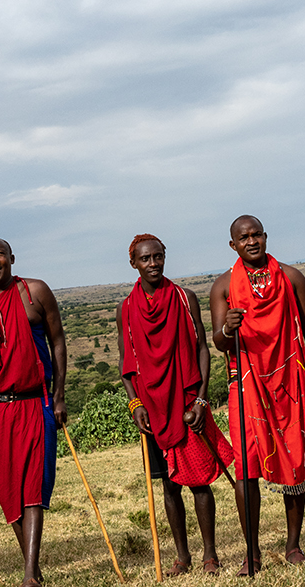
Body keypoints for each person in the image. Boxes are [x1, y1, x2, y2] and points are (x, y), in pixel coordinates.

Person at [209, 216, 305, 574]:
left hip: (291, 382)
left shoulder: (291, 278)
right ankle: (252, 552)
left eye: (257, 234)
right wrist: (226, 329)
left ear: (265, 237)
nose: (252, 241)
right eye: (243, 237)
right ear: (232, 245)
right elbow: (218, 342)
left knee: (295, 463)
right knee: (246, 468)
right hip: (247, 385)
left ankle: (293, 545)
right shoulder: (222, 287)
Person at [118, 235, 233, 576]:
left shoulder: (185, 298)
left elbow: (201, 349)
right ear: (134, 264)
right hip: (151, 410)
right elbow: (126, 364)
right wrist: (134, 403)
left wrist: (201, 398)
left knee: (199, 482)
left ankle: (210, 555)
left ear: (165, 258)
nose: (153, 264)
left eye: (158, 257)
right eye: (145, 259)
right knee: (169, 484)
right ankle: (182, 557)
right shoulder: (125, 308)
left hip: (186, 402)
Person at [0, 238, 66, 587]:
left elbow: (58, 340)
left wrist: (60, 394)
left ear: (12, 258)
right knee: (9, 491)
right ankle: (32, 566)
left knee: (32, 485)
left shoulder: (35, 292)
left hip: (34, 400)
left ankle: (30, 574)